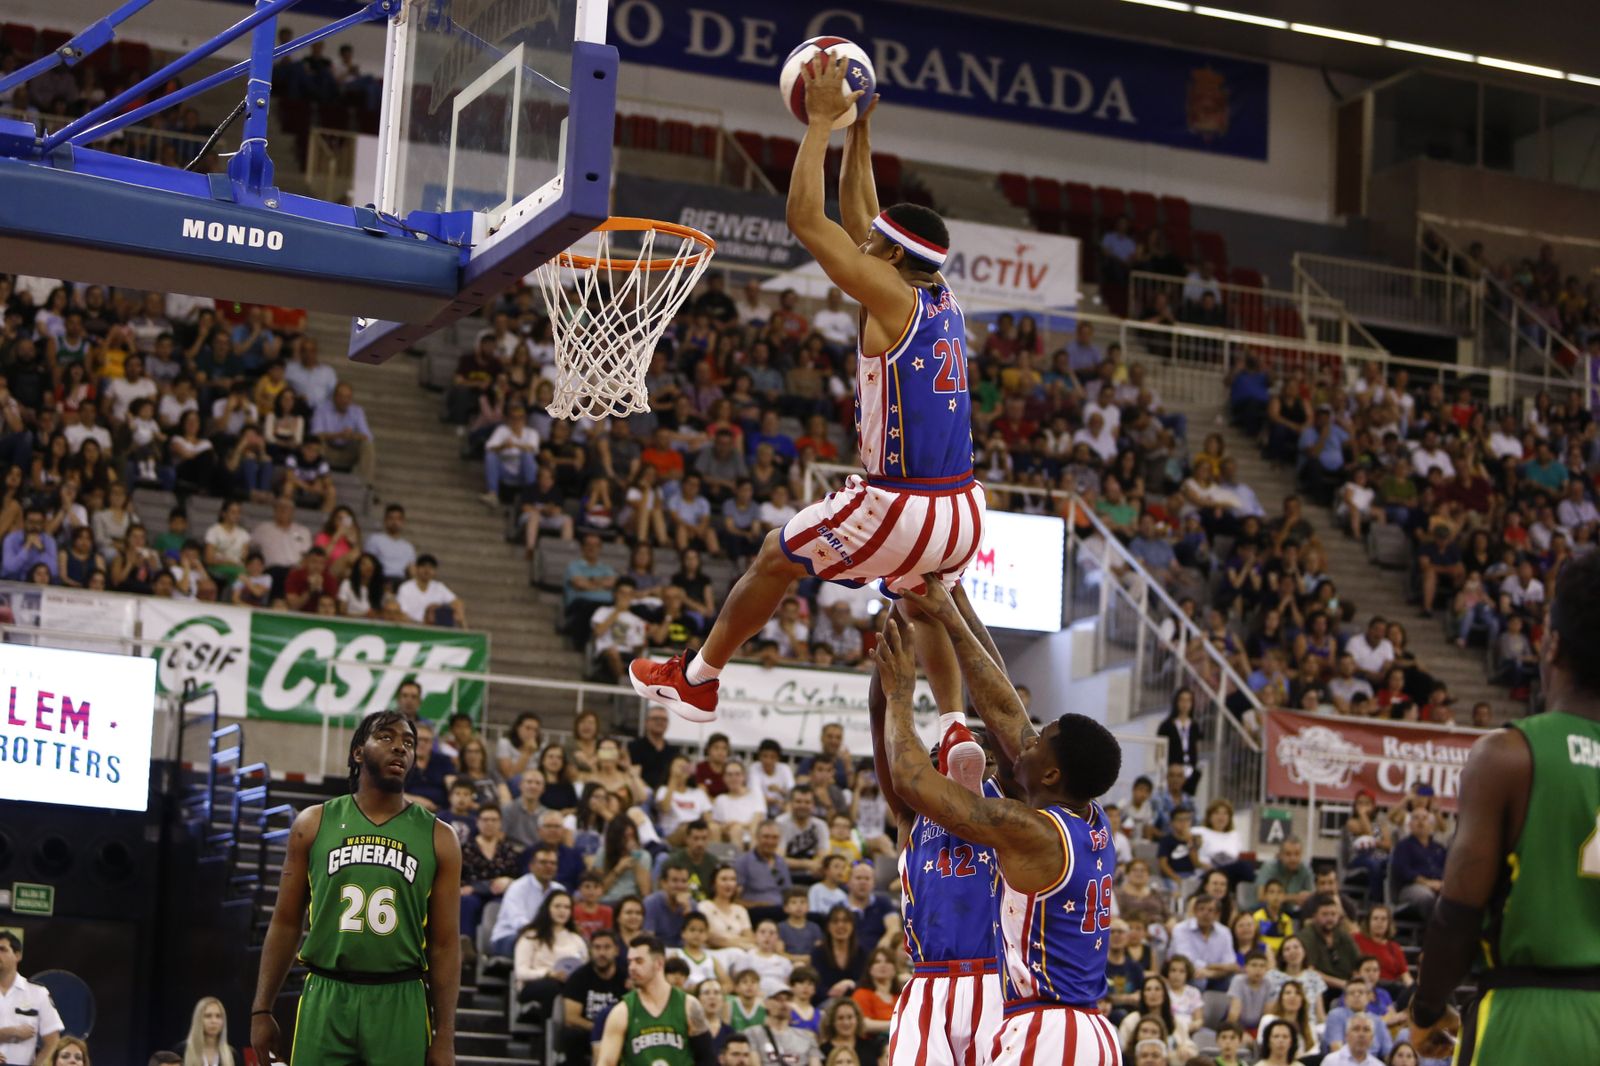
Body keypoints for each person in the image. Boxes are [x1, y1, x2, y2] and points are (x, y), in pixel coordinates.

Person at [632, 65, 984, 733]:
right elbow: (864, 217)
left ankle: (697, 680)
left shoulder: (887, 292)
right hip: (964, 507)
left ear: (888, 256)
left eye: (873, 244)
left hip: (902, 501)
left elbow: (805, 217)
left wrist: (822, 121)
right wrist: (862, 132)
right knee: (919, 598)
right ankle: (955, 729)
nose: (864, 241)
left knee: (774, 555)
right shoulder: (938, 293)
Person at [879, 580, 1124, 1063]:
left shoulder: (1030, 830)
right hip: (1090, 1033)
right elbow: (1005, 708)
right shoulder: (1087, 814)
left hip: (1049, 1029)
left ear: (1052, 773)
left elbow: (911, 781)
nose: (1026, 741)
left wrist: (901, 696)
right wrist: (954, 611)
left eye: (1038, 742)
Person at [1408, 552, 1600, 1062]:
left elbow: (1458, 913)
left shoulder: (1508, 756)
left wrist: (1426, 1009)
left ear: (1551, 643)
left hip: (1530, 1016)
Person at [250, 711, 461, 1066]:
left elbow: (445, 944)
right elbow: (286, 923)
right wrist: (261, 1009)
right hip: (326, 993)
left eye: (408, 743)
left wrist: (445, 1035)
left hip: (401, 998)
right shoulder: (313, 823)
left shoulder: (440, 837)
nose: (400, 748)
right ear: (358, 752)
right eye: (386, 737)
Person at [861, 581, 1006, 1066]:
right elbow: (881, 708)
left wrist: (957, 612)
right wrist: (901, 610)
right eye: (940, 751)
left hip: (997, 980)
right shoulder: (911, 812)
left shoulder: (1010, 807)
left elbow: (999, 699)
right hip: (928, 982)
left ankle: (954, 709)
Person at [595, 935, 715, 1066]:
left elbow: (707, 1058)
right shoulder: (621, 1012)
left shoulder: (689, 1005)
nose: (632, 968)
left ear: (659, 963)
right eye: (630, 962)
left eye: (639, 961)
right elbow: (606, 1062)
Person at [562, 930, 629, 1066]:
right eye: (597, 948)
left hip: (619, 1032)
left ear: (616, 950)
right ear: (590, 951)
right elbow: (570, 1017)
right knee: (572, 1036)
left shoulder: (626, 978)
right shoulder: (579, 977)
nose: (601, 953)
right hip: (587, 1031)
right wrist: (598, 1028)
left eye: (606, 947)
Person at [0, 931, 63, 1065]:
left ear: (17, 955)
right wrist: (9, 1032)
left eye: (2, 949)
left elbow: (53, 1041)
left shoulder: (37, 993)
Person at [177, 996, 239, 1066]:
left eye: (218, 1016)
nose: (214, 1021)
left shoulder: (232, 1054)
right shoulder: (181, 1051)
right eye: (208, 1016)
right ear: (198, 1020)